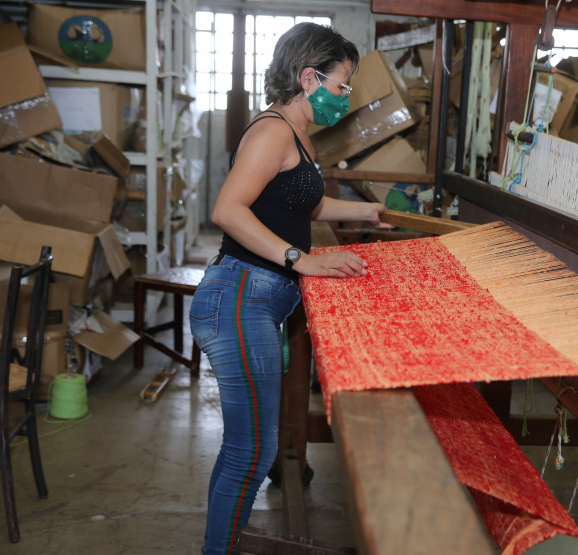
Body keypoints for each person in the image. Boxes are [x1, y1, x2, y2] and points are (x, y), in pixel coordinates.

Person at [189, 23, 388, 554]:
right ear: (309, 77)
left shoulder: (298, 133)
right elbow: (226, 210)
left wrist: (367, 211)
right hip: (237, 298)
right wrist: (300, 260)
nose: (345, 99)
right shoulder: (273, 130)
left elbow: (305, 205)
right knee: (251, 453)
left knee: (244, 450)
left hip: (253, 298)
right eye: (342, 86)